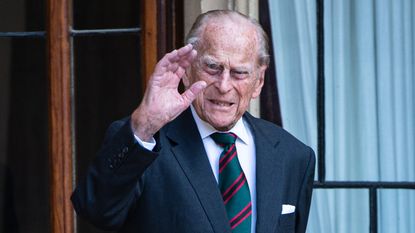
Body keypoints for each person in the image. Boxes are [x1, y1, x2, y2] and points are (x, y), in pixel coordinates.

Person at [71, 10, 315, 233]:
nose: (223, 85)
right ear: (188, 70)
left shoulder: (292, 156)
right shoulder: (145, 141)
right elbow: (96, 210)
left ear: (259, 81)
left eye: (239, 73)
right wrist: (144, 125)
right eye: (212, 67)